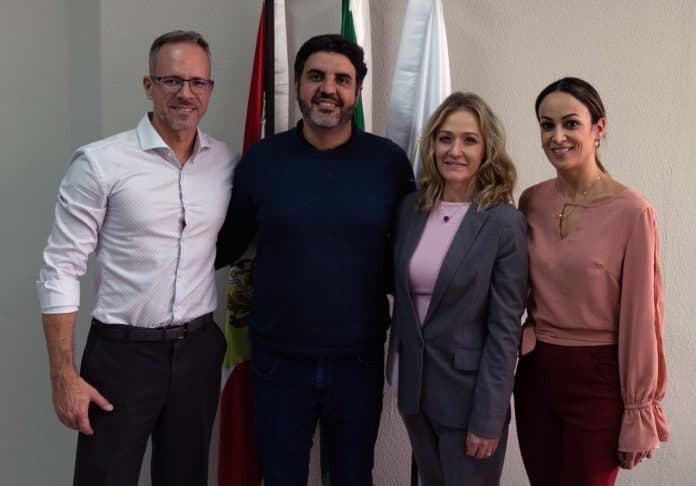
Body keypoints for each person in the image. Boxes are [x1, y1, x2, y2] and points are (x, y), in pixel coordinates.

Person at [36, 30, 235, 486]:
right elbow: (60, 268)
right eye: (172, 80)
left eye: (198, 82)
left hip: (197, 352)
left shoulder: (226, 162)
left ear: (210, 89)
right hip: (121, 357)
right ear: (149, 85)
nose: (186, 93)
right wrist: (63, 373)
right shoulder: (101, 163)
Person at [215, 34, 415, 486]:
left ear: (357, 92)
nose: (328, 88)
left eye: (342, 79)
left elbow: (411, 255)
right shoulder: (262, 160)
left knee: (353, 478)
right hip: (277, 362)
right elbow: (226, 246)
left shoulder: (388, 163)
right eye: (316, 76)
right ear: (299, 85)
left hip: (358, 360)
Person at [514, 77, 670, 486]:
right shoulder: (531, 201)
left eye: (570, 124)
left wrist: (639, 409)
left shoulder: (633, 212)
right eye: (547, 125)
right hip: (535, 374)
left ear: (599, 128)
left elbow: (643, 319)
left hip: (600, 381)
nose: (557, 137)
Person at [387, 92, 527, 485]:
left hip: (469, 401)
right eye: (445, 138)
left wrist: (488, 416)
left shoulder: (503, 222)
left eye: (469, 140)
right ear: (432, 144)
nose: (455, 151)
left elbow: (504, 330)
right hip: (414, 391)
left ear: (487, 150)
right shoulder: (411, 209)